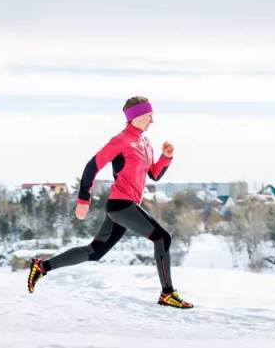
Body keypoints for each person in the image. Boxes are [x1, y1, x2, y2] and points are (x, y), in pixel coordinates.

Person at [27, 96, 193, 309]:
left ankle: (42, 267)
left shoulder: (145, 142)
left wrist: (165, 158)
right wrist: (83, 199)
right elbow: (92, 166)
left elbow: (153, 174)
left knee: (94, 252)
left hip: (126, 206)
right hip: (121, 205)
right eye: (149, 115)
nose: (153, 120)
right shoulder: (121, 141)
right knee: (162, 237)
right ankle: (167, 293)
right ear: (138, 116)